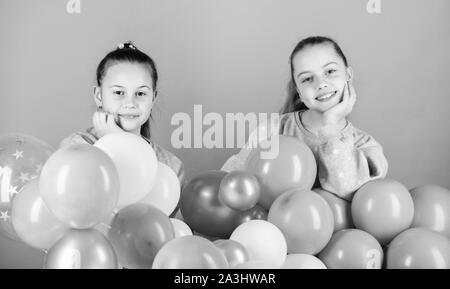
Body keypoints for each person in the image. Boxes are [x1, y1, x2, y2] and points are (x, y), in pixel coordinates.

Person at [222, 36, 388, 201]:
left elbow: (347, 189)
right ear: (299, 91)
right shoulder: (273, 130)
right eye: (307, 79)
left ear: (348, 75)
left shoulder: (366, 146)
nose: (321, 83)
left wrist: (331, 124)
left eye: (330, 71)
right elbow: (230, 181)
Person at [59, 41, 187, 205]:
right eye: (119, 92)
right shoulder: (76, 148)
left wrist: (119, 140)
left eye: (140, 93)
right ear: (99, 95)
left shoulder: (170, 166)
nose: (130, 103)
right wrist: (114, 142)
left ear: (153, 98)